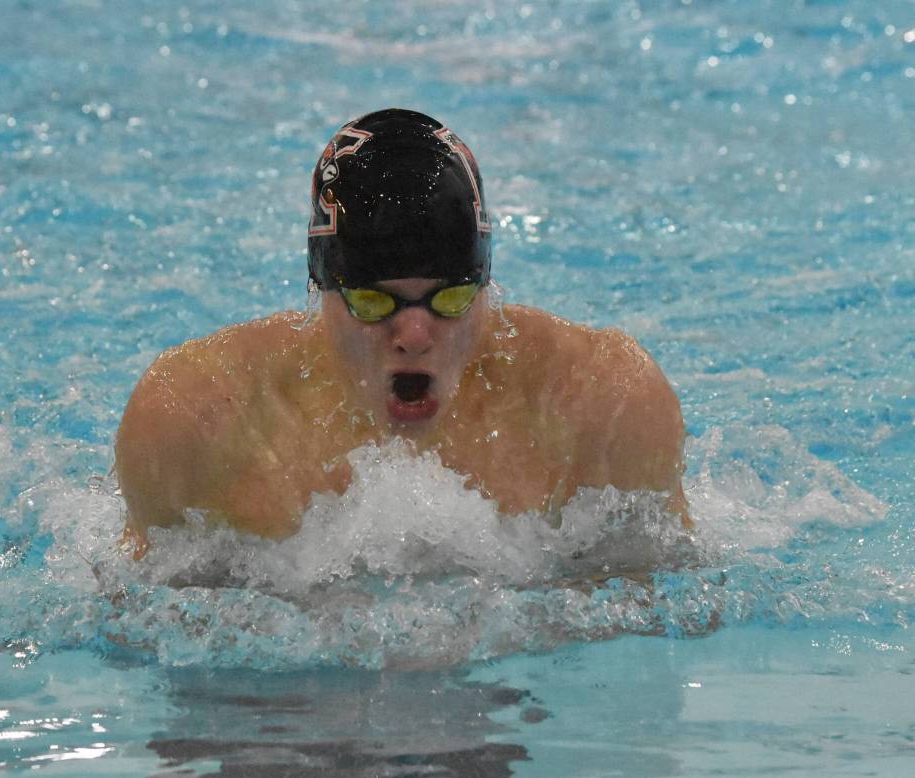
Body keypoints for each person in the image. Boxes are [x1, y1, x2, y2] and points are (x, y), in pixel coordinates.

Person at [115, 108, 689, 554]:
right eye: (372, 301)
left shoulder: (603, 406)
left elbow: (675, 613)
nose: (415, 333)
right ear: (323, 290)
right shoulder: (197, 421)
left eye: (452, 298)